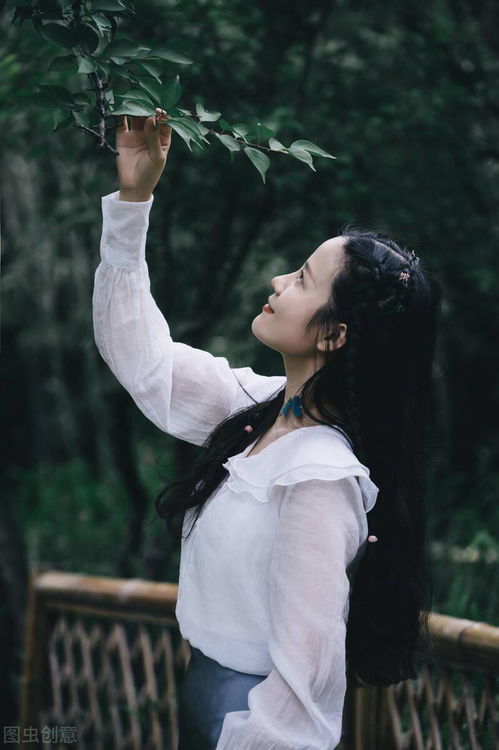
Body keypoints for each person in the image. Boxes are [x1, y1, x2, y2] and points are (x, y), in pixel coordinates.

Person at [92, 109, 441, 749]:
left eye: (303, 279)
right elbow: (144, 361)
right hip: (204, 705)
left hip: (245, 727)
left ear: (334, 335)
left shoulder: (319, 476)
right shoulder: (260, 407)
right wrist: (135, 199)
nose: (278, 282)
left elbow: (303, 696)